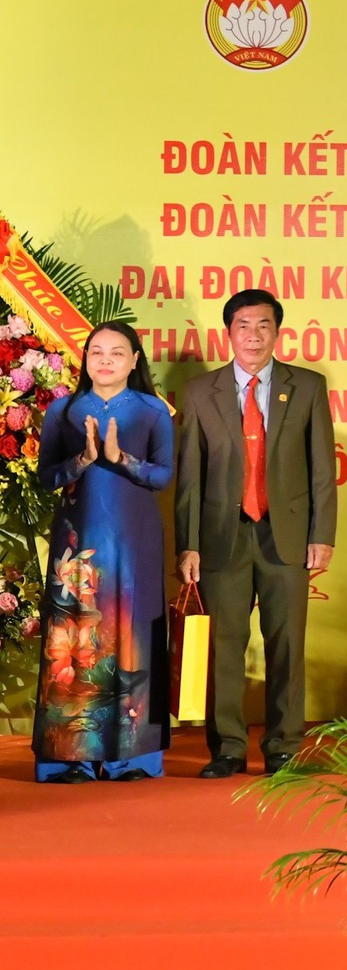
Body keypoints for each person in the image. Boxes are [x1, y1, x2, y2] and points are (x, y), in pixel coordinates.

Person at [175, 289, 337, 779]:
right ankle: (226, 747)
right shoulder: (202, 391)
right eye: (243, 325)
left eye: (263, 325)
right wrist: (189, 543)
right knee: (224, 645)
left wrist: (322, 533)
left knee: (286, 643)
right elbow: (189, 477)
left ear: (277, 332)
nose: (253, 335)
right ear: (229, 332)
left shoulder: (306, 386)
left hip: (286, 534)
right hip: (222, 535)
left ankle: (284, 746)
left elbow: (322, 470)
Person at [34, 322, 173, 782]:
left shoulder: (154, 411)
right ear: (85, 359)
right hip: (79, 545)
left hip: (135, 541)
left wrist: (121, 457)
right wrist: (83, 460)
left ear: (136, 360)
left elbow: (163, 476)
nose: (106, 360)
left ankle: (133, 757)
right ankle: (70, 754)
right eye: (97, 351)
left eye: (118, 352)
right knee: (74, 640)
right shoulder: (64, 410)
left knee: (134, 633)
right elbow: (47, 477)